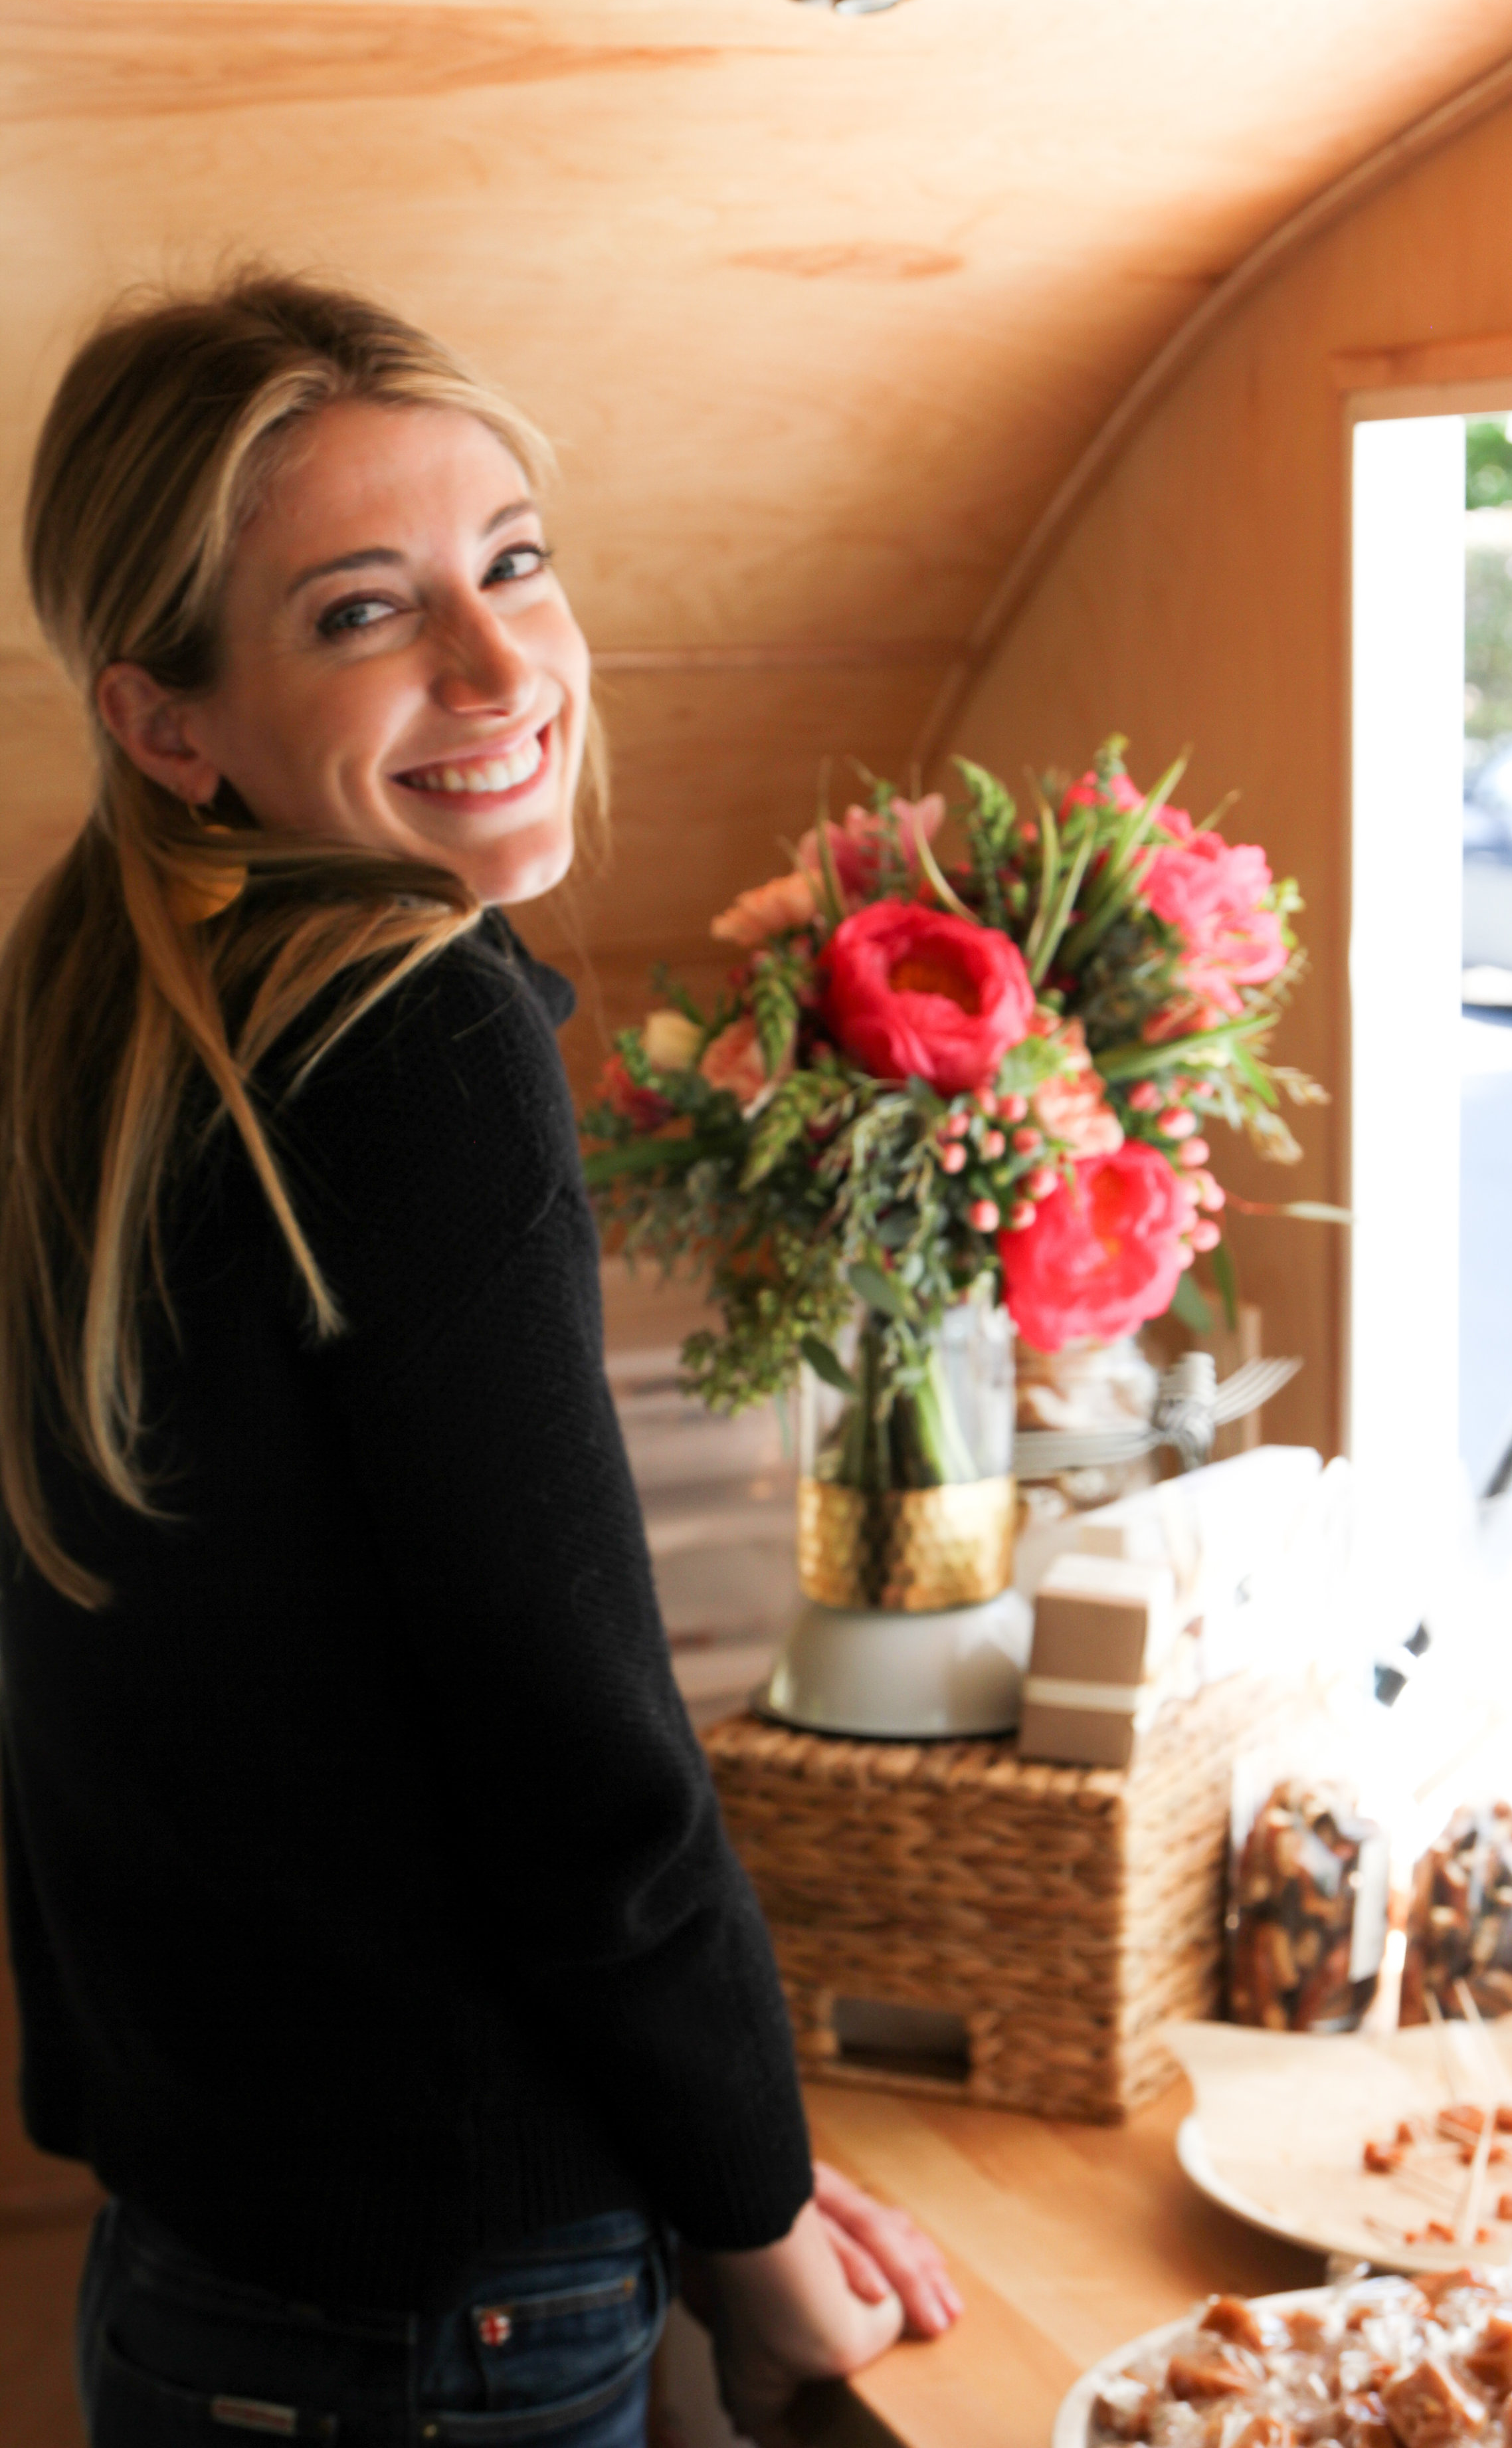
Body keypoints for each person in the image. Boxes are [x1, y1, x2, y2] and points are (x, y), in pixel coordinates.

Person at [0, 272, 961, 2448]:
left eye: (511, 559)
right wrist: (752, 2231)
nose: (499, 662)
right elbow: (574, 1753)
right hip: (444, 2318)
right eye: (364, 612)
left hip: (211, 2258)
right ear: (170, 719)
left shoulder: (111, 999)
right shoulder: (406, 1029)